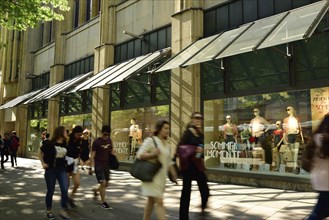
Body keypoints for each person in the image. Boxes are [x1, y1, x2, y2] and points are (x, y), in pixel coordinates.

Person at [136, 120, 177, 220]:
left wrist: (174, 174)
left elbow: (168, 161)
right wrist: (153, 154)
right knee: (159, 202)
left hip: (161, 178)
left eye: (169, 129)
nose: (168, 131)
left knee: (151, 201)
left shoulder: (167, 143)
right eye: (165, 128)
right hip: (151, 176)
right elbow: (139, 155)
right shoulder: (151, 140)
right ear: (159, 129)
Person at [178, 112, 209, 220]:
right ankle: (183, 217)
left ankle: (203, 209)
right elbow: (180, 147)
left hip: (197, 165)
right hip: (188, 166)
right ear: (192, 119)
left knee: (205, 189)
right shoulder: (188, 132)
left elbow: (200, 151)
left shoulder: (201, 134)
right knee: (186, 191)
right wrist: (195, 149)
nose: (199, 120)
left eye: (201, 118)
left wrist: (201, 153)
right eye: (196, 118)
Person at [38, 126, 70, 220]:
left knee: (64, 189)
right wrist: (43, 163)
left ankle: (63, 211)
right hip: (51, 170)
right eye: (65, 131)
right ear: (60, 132)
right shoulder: (49, 143)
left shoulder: (65, 144)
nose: (66, 133)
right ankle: (49, 210)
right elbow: (39, 152)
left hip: (62, 169)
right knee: (50, 191)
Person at [308, 113, 329, 220]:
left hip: (319, 179)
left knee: (320, 211)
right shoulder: (323, 139)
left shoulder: (316, 137)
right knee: (318, 213)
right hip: (326, 182)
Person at [89, 125, 114, 210]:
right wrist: (90, 167)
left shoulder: (109, 140)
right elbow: (92, 155)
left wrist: (113, 155)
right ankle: (104, 202)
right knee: (103, 183)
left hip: (106, 165)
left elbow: (111, 150)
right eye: (104, 134)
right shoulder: (96, 142)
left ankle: (96, 191)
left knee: (106, 184)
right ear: (101, 132)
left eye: (107, 135)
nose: (105, 136)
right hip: (98, 164)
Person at [66, 125, 84, 208]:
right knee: (66, 185)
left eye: (81, 134)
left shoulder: (80, 140)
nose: (79, 136)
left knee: (77, 183)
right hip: (66, 163)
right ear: (74, 133)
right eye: (78, 134)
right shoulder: (67, 139)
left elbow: (80, 151)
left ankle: (71, 198)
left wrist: (79, 160)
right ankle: (65, 200)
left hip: (75, 163)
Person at [283, 106, 304, 173]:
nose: (287, 110)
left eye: (289, 109)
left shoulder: (296, 119)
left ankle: (295, 167)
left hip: (296, 135)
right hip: (290, 135)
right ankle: (294, 165)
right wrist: (285, 139)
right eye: (286, 109)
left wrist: (302, 137)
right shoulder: (285, 119)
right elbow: (285, 130)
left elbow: (300, 129)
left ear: (292, 110)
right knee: (292, 152)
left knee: (296, 152)